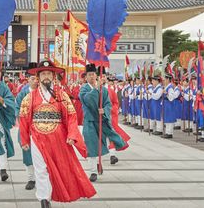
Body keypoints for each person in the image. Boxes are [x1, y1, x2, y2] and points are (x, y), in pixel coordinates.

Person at [19, 59, 96, 208]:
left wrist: (72, 135)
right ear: (38, 77)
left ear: (54, 76)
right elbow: (23, 118)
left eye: (49, 73)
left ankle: (56, 193)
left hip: (58, 137)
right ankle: (43, 198)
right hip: (37, 137)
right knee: (40, 168)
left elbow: (72, 116)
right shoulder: (30, 97)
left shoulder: (62, 95)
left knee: (59, 167)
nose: (46, 76)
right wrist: (24, 140)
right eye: (43, 74)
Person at [80, 64, 128, 182]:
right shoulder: (84, 89)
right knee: (91, 145)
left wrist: (104, 110)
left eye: (93, 74)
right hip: (90, 121)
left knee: (104, 142)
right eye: (89, 75)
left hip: (101, 120)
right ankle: (93, 171)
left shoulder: (104, 90)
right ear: (85, 77)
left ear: (96, 76)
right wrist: (96, 89)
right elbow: (88, 100)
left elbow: (108, 104)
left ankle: (101, 161)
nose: (91, 77)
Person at [15, 62, 37, 190]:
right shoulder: (23, 93)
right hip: (26, 128)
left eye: (36, 78)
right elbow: (17, 108)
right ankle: (31, 178)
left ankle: (41, 177)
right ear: (28, 79)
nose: (35, 81)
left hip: (41, 128)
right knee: (27, 153)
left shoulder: (44, 92)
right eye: (32, 78)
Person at [107, 76, 130, 164]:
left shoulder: (111, 91)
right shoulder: (94, 90)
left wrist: (111, 109)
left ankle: (112, 155)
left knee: (111, 135)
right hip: (97, 117)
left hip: (109, 116)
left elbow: (116, 103)